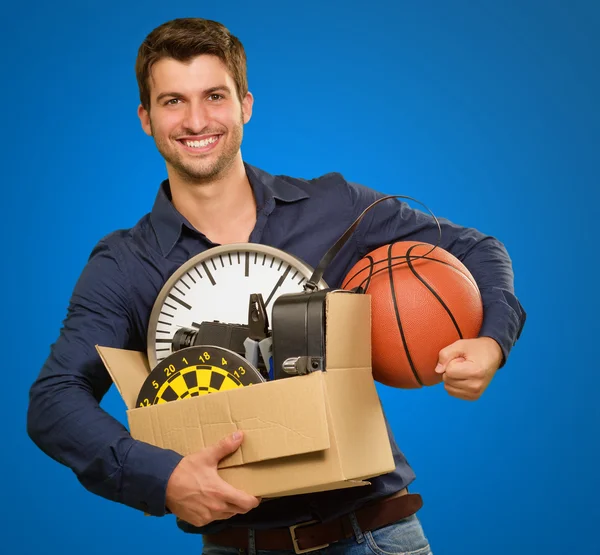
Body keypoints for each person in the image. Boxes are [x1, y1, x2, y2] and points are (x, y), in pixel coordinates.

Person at [27, 17, 526, 555]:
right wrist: (164, 477)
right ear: (146, 119)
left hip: (377, 534)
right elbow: (54, 401)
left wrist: (491, 341)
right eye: (173, 101)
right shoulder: (125, 264)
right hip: (239, 543)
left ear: (245, 104)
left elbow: (476, 249)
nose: (196, 120)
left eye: (214, 96)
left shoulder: (336, 207)